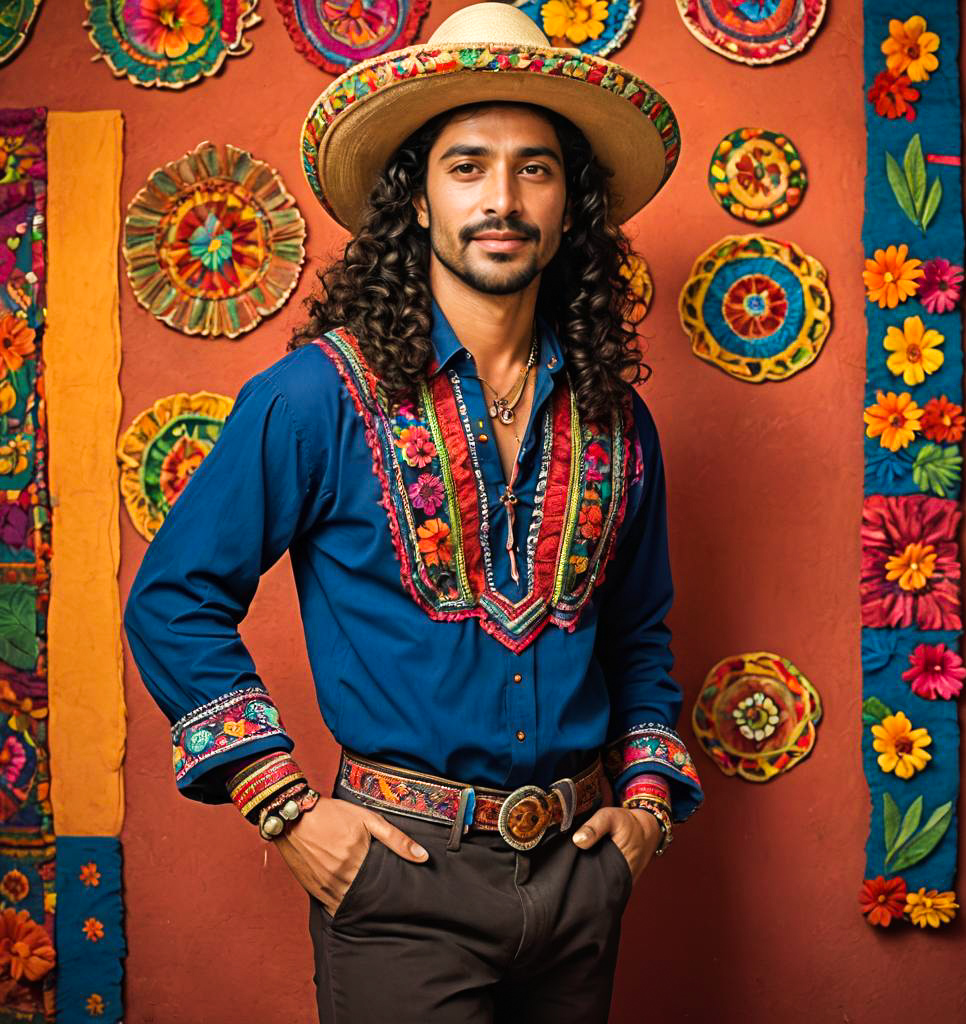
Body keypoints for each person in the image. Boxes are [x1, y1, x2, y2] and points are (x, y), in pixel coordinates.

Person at [124, 4, 704, 1021]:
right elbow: (172, 599)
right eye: (467, 165)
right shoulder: (317, 398)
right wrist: (287, 809)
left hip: (580, 875)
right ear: (419, 201)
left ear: (571, 205)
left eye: (535, 168)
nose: (502, 199)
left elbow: (639, 631)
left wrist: (646, 809)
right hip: (399, 879)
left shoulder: (617, 421)